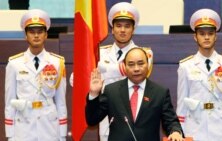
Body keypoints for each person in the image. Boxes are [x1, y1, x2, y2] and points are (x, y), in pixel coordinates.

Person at [69, 2, 153, 141]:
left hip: (134, 118)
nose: (122, 30)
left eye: (127, 26)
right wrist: (85, 75)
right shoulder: (99, 53)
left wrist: (101, 70)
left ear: (133, 29)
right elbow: (75, 79)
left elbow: (127, 70)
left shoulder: (144, 54)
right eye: (118, 26)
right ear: (112, 29)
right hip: (107, 119)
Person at [86, 47, 183, 141]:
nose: (136, 69)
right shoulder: (111, 91)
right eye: (131, 64)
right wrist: (93, 94)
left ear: (148, 65)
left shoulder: (160, 92)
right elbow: (92, 120)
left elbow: (170, 121)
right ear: (125, 66)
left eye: (141, 64)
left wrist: (175, 131)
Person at [176, 8, 222, 141]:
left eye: (210, 33)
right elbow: (181, 105)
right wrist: (180, 133)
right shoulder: (185, 66)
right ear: (195, 37)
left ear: (215, 36)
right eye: (202, 33)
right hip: (194, 126)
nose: (206, 37)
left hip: (221, 127)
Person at [4, 9, 67, 141]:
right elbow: (9, 102)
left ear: (46, 35)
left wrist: (62, 133)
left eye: (40, 32)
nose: (36, 36)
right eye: (32, 32)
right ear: (25, 36)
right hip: (24, 127)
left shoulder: (57, 62)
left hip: (49, 126)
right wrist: (10, 135)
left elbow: (61, 102)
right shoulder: (15, 64)